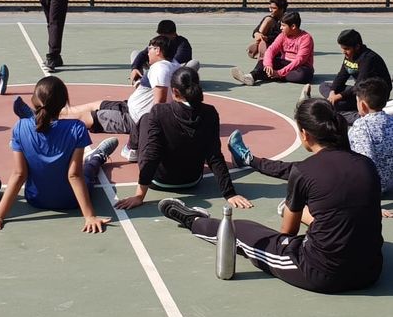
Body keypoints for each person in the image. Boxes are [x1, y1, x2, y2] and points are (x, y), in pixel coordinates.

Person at [160, 98, 383, 294]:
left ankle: (193, 220)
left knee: (242, 230)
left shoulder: (304, 170)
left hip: (322, 273)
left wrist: (290, 212)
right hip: (370, 270)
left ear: (305, 134)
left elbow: (288, 232)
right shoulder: (367, 165)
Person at [0, 76, 117, 233]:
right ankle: (97, 157)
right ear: (64, 104)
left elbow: (19, 174)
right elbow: (74, 176)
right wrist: (89, 216)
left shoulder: (19, 126)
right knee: (87, 171)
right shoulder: (77, 128)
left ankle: (33, 118)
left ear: (34, 100)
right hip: (71, 201)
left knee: (30, 137)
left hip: (36, 199)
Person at [116, 67, 252, 210]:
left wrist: (139, 196)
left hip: (159, 180)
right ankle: (132, 147)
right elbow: (214, 156)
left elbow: (151, 155)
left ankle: (131, 149)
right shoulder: (210, 113)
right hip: (192, 179)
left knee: (145, 118)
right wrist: (229, 193)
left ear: (174, 91)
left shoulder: (159, 111)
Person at [46, 35, 179, 163]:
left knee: (85, 117)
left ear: (158, 50)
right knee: (96, 104)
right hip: (129, 107)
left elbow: (159, 104)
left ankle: (45, 120)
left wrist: (148, 130)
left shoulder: (160, 68)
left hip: (133, 118)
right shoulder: (174, 65)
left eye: (149, 48)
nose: (147, 52)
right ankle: (50, 112)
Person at [319, 29, 392, 125]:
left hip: (373, 96)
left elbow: (359, 85)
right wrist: (332, 92)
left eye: (346, 49)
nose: (343, 52)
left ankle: (360, 115)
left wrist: (338, 97)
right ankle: (333, 104)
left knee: (337, 105)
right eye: (342, 48)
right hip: (360, 91)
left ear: (357, 47)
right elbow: (342, 75)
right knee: (324, 86)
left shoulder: (368, 59)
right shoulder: (350, 55)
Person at [232, 11, 314, 86]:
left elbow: (299, 60)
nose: (281, 28)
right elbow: (270, 50)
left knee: (302, 76)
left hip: (301, 67)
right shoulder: (282, 35)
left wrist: (279, 73)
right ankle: (250, 77)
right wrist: (268, 65)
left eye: (283, 26)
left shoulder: (306, 38)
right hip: (284, 63)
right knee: (263, 61)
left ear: (293, 26)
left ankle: (271, 75)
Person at [349, 77, 393, 194]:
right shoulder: (391, 120)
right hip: (389, 182)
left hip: (371, 188)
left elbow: (365, 164)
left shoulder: (361, 126)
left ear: (362, 105)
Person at [130, 20, 197, 86]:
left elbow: (178, 60)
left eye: (165, 35)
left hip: (174, 69)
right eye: (160, 34)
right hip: (154, 67)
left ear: (174, 34)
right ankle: (139, 79)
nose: (162, 37)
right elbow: (144, 54)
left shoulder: (182, 43)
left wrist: (161, 65)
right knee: (135, 53)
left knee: (194, 63)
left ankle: (177, 82)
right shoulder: (158, 41)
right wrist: (135, 68)